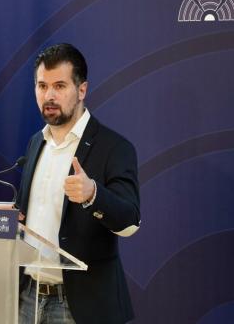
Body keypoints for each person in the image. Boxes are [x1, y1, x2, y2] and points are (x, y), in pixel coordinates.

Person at [16, 43, 141, 324]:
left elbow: (131, 221)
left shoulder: (114, 147)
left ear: (81, 90)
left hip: (81, 306)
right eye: (41, 86)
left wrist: (93, 194)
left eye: (59, 86)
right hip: (28, 298)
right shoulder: (36, 143)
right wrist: (6, 219)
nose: (48, 95)